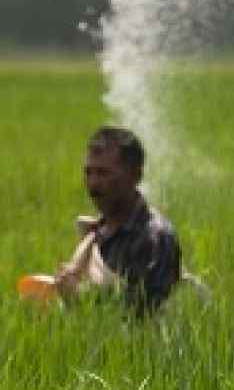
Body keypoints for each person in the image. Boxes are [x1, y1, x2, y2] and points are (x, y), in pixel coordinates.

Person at [53, 126, 183, 315]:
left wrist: (82, 297)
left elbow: (148, 311)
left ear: (135, 177)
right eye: (88, 172)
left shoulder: (155, 236)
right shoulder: (96, 232)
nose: (93, 183)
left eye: (104, 173)